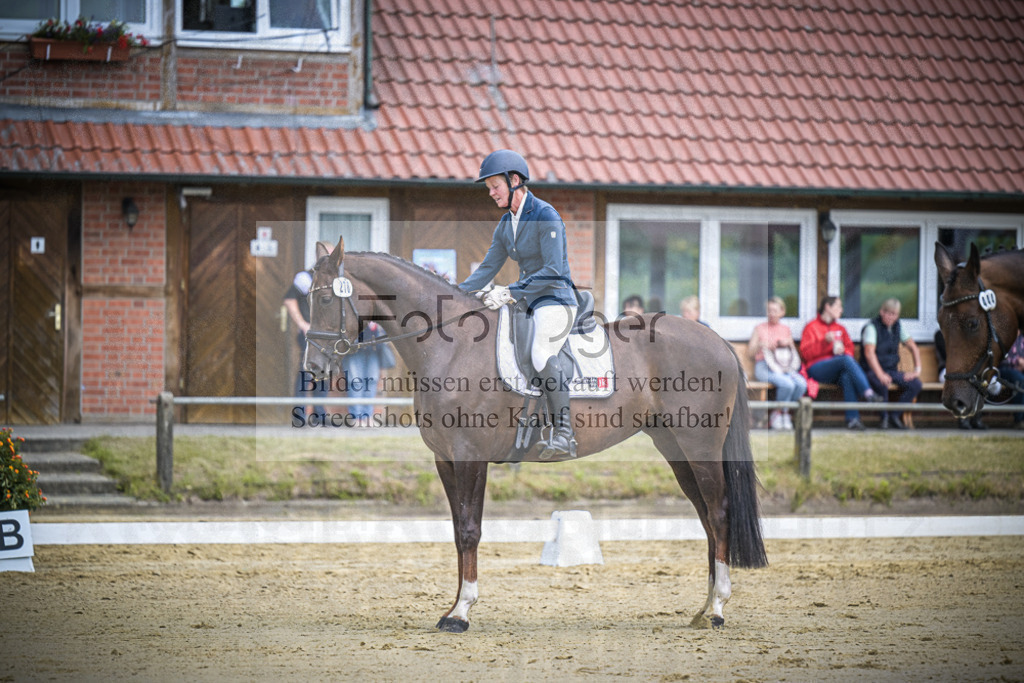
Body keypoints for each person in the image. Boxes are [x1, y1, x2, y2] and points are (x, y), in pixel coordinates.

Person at [459, 149, 578, 459]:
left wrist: (509, 290)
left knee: (541, 351)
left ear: (514, 181)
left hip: (556, 298)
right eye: (488, 189)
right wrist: (454, 296)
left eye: (495, 186)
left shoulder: (545, 214)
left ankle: (565, 434)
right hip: (526, 300)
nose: (491, 193)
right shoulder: (506, 223)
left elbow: (553, 270)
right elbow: (486, 269)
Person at [799, 295, 883, 430]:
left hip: (838, 368)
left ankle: (853, 419)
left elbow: (849, 350)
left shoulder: (840, 328)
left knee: (847, 376)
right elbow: (806, 355)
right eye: (838, 306)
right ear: (827, 307)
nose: (841, 310)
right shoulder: (811, 326)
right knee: (844, 361)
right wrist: (824, 343)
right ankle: (868, 393)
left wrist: (844, 350)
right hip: (816, 369)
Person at [860, 298, 923, 430]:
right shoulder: (871, 327)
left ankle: (895, 416)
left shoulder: (898, 327)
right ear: (881, 312)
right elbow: (869, 354)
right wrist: (881, 374)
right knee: (882, 383)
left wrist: (917, 370)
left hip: (891, 369)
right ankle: (884, 419)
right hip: (871, 370)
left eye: (894, 314)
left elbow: (913, 347)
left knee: (915, 384)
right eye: (888, 313)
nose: (891, 317)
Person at [748, 296, 806, 429]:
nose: (771, 314)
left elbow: (791, 352)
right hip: (764, 366)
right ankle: (780, 414)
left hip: (782, 366)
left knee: (801, 384)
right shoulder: (760, 328)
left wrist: (787, 343)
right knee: (787, 385)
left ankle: (781, 413)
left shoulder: (785, 329)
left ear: (782, 312)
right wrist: (761, 344)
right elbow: (750, 353)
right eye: (769, 310)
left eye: (774, 311)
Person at [283, 270, 326, 416]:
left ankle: (319, 415)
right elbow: (289, 300)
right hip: (310, 336)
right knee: (306, 374)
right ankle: (299, 415)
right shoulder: (305, 278)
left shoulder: (337, 278)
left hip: (327, 336)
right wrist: (302, 324)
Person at [935, 329, 986, 429]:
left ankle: (976, 418)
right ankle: (963, 418)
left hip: (967, 370)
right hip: (947, 370)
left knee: (980, 380)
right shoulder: (940, 334)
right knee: (962, 380)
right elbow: (948, 355)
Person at [342, 322, 386, 427]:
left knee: (371, 381)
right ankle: (356, 418)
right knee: (355, 382)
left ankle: (367, 416)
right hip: (354, 346)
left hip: (374, 346)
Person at [998, 333, 1024, 429]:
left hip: (1020, 371)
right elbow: (1000, 359)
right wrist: (1017, 362)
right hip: (1004, 371)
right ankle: (1019, 420)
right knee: (1021, 380)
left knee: (1020, 378)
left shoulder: (1022, 340)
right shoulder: (1004, 339)